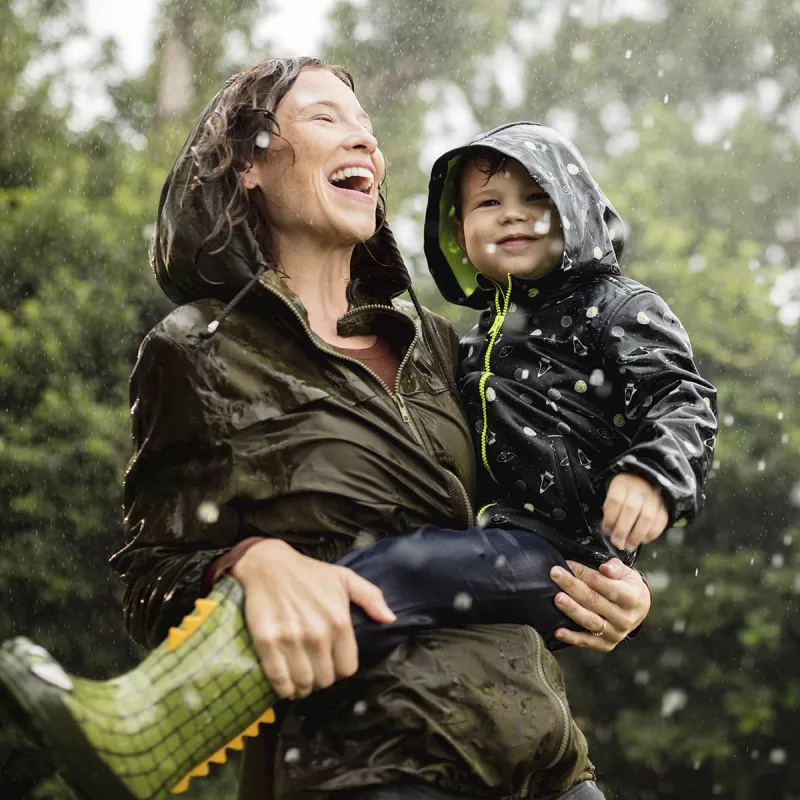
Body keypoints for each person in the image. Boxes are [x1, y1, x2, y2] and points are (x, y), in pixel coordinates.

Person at [0, 60, 653, 800]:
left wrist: (613, 577)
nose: (364, 145)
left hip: (544, 761)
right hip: (362, 766)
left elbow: (540, 486)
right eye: (325, 119)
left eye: (368, 130)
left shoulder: (441, 345)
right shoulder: (199, 350)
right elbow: (152, 577)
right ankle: (142, 731)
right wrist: (246, 561)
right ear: (248, 162)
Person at [424, 123, 718, 578]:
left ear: (575, 212)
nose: (512, 214)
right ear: (460, 235)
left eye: (536, 197)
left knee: (402, 571)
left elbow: (681, 398)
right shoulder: (472, 341)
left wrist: (653, 475)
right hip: (480, 538)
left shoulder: (616, 307)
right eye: (489, 202)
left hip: (565, 553)